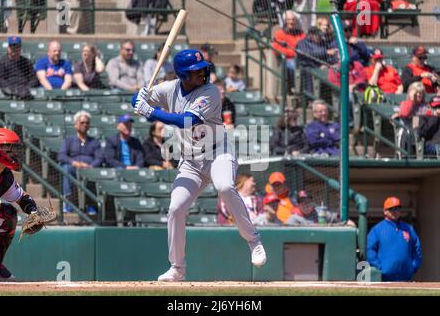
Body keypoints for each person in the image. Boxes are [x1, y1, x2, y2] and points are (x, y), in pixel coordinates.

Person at [131, 49, 267, 281]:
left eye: (203, 68)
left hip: (218, 154)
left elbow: (187, 120)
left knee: (224, 187)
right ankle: (177, 268)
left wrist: (150, 111)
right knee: (175, 208)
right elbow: (138, 101)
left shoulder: (211, 91)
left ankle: (254, 241)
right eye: (196, 71)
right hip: (190, 161)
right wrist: (140, 97)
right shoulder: (169, 89)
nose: (203, 72)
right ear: (183, 75)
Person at [0, 128, 44, 281]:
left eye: (15, 149)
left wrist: (34, 213)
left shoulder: (5, 176)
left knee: (8, 213)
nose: (13, 154)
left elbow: (22, 197)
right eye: (8, 149)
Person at [367, 197, 422, 281]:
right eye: (391, 209)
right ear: (385, 211)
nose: (395, 211)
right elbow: (369, 250)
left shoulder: (408, 228)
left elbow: (417, 249)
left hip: (406, 279)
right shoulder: (377, 229)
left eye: (397, 208)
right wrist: (380, 267)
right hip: (384, 280)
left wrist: (413, 267)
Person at [58, 111, 103, 214]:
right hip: (73, 167)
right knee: (66, 168)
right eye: (82, 122)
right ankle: (68, 202)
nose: (85, 125)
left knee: (94, 173)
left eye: (87, 123)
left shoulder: (94, 141)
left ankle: (91, 204)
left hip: (89, 168)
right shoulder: (69, 140)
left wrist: (91, 166)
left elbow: (100, 157)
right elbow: (61, 156)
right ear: (75, 124)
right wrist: (74, 163)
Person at [271, 10, 305, 91]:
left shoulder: (300, 33)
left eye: (293, 19)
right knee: (294, 65)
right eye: (288, 20)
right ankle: (296, 89)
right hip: (288, 59)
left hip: (301, 58)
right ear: (285, 21)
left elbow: (305, 45)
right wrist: (293, 53)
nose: (291, 22)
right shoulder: (279, 33)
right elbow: (276, 48)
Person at [286, 190, 353, 226]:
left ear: (312, 202)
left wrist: (346, 222)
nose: (305, 204)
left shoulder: (319, 213)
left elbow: (335, 217)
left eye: (308, 201)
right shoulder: (293, 219)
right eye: (302, 201)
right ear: (298, 204)